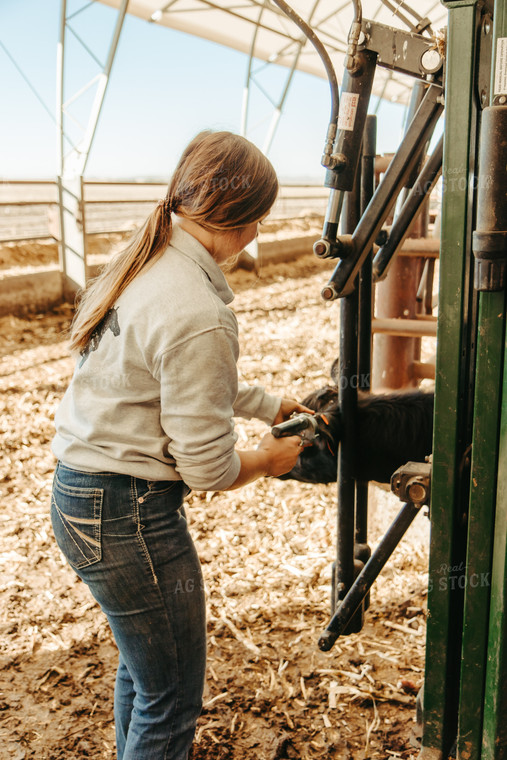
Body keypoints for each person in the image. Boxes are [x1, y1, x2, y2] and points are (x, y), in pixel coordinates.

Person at [50, 130, 310, 760]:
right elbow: (206, 467)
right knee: (170, 702)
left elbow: (164, 380)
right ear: (236, 216)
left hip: (77, 494)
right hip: (129, 516)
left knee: (144, 674)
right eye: (256, 219)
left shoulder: (140, 262)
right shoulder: (199, 308)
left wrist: (262, 402)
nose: (256, 234)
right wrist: (270, 462)